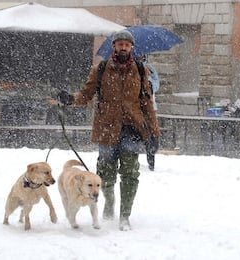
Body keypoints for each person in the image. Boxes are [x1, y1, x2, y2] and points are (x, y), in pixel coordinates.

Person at [57, 30, 160, 231]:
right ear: (114, 46)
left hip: (132, 128)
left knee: (130, 173)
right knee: (106, 174)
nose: (123, 47)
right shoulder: (101, 69)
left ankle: (124, 216)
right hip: (106, 128)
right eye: (119, 44)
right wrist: (71, 98)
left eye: (127, 44)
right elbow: (86, 94)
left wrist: (154, 133)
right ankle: (109, 206)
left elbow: (147, 102)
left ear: (131, 47)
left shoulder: (140, 70)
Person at [138, 54, 160, 171]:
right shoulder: (130, 68)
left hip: (150, 107)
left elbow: (156, 84)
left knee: (152, 136)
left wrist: (150, 86)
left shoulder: (150, 69)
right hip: (135, 108)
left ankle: (151, 160)